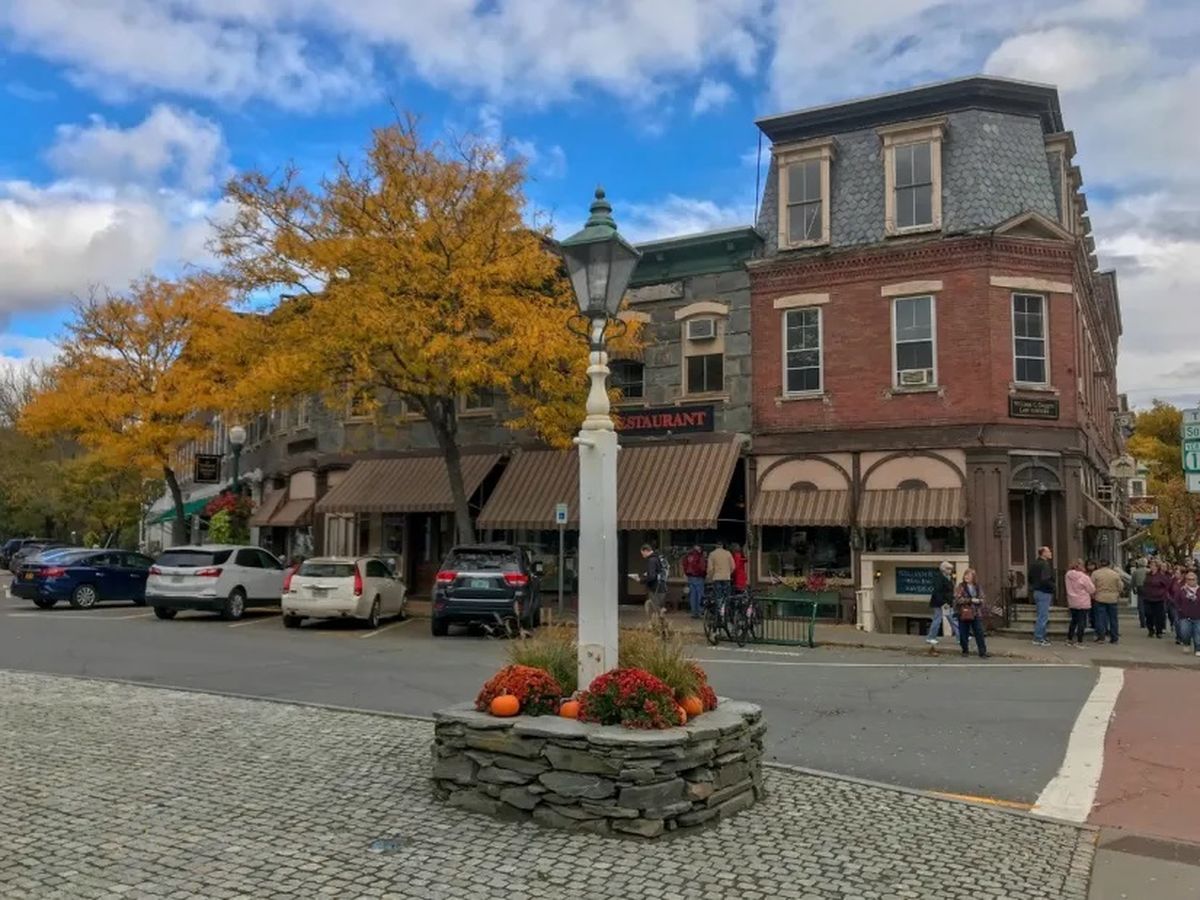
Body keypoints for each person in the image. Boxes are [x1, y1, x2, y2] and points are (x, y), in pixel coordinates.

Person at [954, 567, 988, 658]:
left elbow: (983, 598)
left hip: (976, 613)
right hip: (964, 612)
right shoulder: (961, 586)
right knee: (963, 633)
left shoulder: (977, 586)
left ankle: (983, 652)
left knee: (979, 632)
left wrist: (980, 601)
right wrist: (970, 600)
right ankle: (965, 650)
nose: (967, 577)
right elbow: (958, 599)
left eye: (969, 575)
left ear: (973, 577)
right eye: (966, 575)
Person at [638, 544, 669, 637]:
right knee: (660, 610)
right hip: (662, 587)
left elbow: (652, 576)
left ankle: (661, 632)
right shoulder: (658, 558)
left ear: (645, 550)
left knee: (656, 610)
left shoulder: (651, 560)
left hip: (655, 588)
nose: (642, 555)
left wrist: (641, 580)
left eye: (642, 553)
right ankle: (664, 631)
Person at [1028, 546, 1056, 647]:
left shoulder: (1034, 563)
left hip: (1036, 591)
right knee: (1043, 616)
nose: (1050, 553)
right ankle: (1038, 638)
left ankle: (1042, 637)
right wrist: (1053, 587)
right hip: (1044, 591)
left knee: (1041, 615)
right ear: (1043, 553)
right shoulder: (1044, 565)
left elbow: (1030, 577)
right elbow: (1046, 579)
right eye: (1048, 551)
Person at [1091, 559, 1123, 645]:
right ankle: (1114, 638)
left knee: (1100, 618)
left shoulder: (1095, 573)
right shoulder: (1115, 574)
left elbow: (1092, 586)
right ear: (1109, 565)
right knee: (1113, 619)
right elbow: (1120, 586)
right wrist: (1117, 593)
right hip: (1112, 598)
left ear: (1100, 564)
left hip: (1100, 597)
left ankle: (1101, 637)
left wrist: (1093, 595)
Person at [1064, 559, 1095, 648]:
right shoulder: (1084, 577)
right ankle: (1079, 641)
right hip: (1083, 601)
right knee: (1082, 622)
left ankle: (1069, 639)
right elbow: (1091, 589)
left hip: (1072, 600)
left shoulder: (1068, 575)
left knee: (1074, 620)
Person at [926, 561, 959, 645]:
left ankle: (960, 636)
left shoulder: (947, 577)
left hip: (945, 602)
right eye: (948, 569)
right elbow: (937, 592)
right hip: (941, 603)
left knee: (951, 619)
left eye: (951, 569)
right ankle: (931, 637)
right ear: (944, 569)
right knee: (939, 619)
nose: (950, 570)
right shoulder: (940, 578)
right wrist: (943, 602)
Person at [1141, 559, 1172, 638]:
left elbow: (1167, 586)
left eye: (1153, 566)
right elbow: (1145, 584)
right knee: (1148, 614)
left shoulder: (1161, 576)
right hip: (1148, 598)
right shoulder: (1148, 575)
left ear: (1157, 567)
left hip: (1159, 599)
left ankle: (1159, 631)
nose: (1152, 567)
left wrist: (1163, 593)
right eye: (1151, 565)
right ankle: (1151, 629)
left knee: (1159, 616)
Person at [1173, 570, 1200, 657]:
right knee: (1185, 633)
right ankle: (1186, 644)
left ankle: (1198, 648)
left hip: (1198, 616)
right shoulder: (1182, 590)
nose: (1191, 581)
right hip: (1184, 616)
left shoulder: (1199, 590)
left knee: (1198, 634)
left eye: (1193, 579)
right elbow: (1176, 601)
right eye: (1188, 579)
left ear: (1196, 580)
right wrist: (1180, 609)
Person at [706, 540, 735, 615]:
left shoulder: (712, 554)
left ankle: (719, 613)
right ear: (722, 546)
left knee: (718, 596)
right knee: (727, 596)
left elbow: (710, 568)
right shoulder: (728, 553)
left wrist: (711, 576)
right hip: (726, 577)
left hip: (717, 578)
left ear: (716, 546)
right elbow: (733, 566)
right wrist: (729, 573)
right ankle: (726, 612)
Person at [682, 544, 707, 619]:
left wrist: (687, 573)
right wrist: (704, 574)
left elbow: (684, 564)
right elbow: (702, 568)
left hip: (690, 577)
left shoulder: (688, 556)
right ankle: (700, 611)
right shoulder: (699, 556)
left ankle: (694, 613)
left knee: (692, 595)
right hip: (699, 577)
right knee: (700, 595)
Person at [1131, 557, 1149, 629]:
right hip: (1148, 588)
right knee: (1148, 605)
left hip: (1140, 588)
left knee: (1141, 606)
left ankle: (1142, 623)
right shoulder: (1148, 571)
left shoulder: (1136, 572)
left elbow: (1132, 582)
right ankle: (1148, 621)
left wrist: (1133, 589)